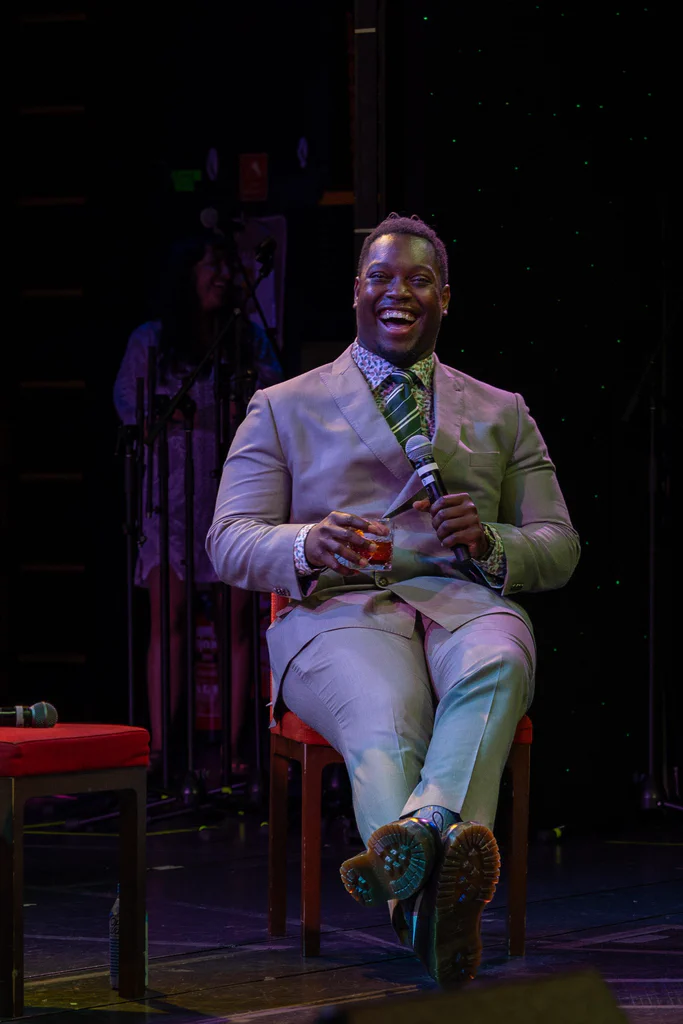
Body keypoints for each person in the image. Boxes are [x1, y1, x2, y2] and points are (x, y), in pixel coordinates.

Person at [206, 213, 579, 985]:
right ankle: (435, 906)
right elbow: (228, 540)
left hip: (459, 601)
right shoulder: (284, 404)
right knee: (387, 713)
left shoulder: (500, 409)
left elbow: (561, 544)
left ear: (445, 296)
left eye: (416, 279)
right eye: (379, 276)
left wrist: (491, 543)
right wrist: (308, 543)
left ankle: (425, 842)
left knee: (503, 655)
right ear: (354, 293)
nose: (395, 292)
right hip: (339, 612)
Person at [114, 229, 282, 769]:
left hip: (231, 491)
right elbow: (129, 409)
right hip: (171, 493)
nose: (222, 276)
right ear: (187, 274)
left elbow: (275, 408)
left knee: (237, 622)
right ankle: (162, 748)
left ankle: (234, 751)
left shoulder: (249, 340)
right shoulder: (152, 340)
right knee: (170, 616)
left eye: (226, 267)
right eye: (210, 265)